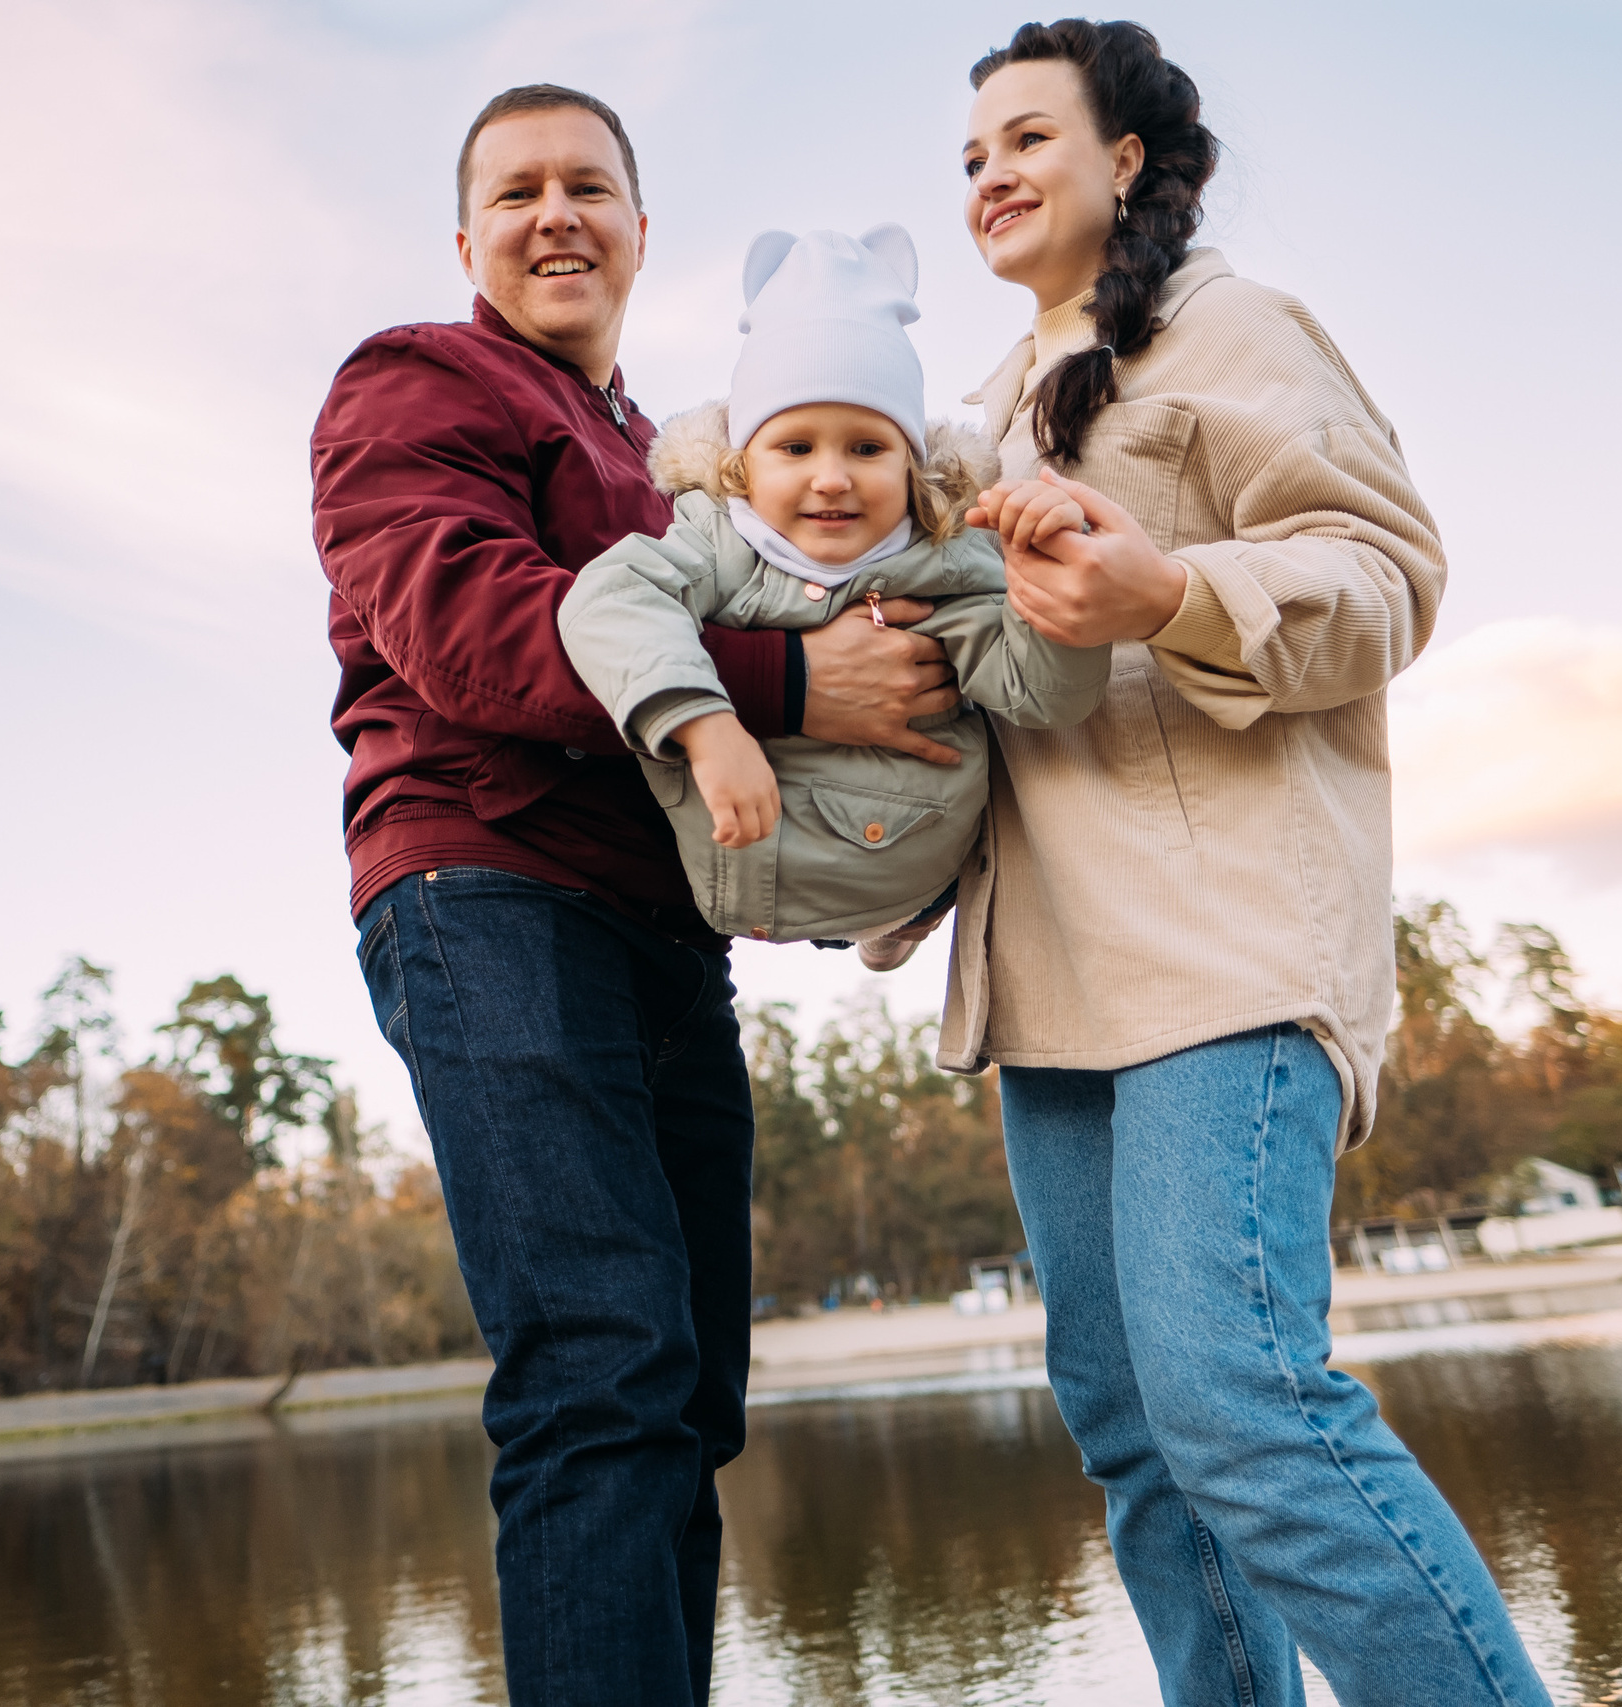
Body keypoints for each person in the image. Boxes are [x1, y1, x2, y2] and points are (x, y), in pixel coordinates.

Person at [310, 84, 957, 1706]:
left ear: (642, 230)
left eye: (588, 186)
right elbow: (469, 621)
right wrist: (793, 682)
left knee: (685, 1395)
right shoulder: (416, 380)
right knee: (599, 1371)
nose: (555, 215)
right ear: (468, 239)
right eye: (517, 191)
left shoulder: (664, 457)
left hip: (661, 934)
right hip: (488, 889)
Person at [942, 20, 1556, 1707]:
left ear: (1126, 160)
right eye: (971, 154)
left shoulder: (1234, 330)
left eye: (1026, 139)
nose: (989, 173)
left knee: (1240, 1401)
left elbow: (1387, 574)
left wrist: (1175, 592)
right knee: (1142, 1440)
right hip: (1050, 990)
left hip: (1221, 951)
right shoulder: (976, 426)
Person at [556, 223, 1109, 953]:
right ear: (743, 465)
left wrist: (1050, 586)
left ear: (911, 464)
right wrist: (704, 724)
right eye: (795, 447)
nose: (831, 477)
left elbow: (1045, 696)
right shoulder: (715, 538)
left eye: (868, 447)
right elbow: (607, 600)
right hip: (734, 865)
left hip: (916, 864)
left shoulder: (945, 553)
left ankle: (901, 922)